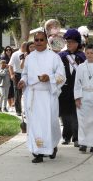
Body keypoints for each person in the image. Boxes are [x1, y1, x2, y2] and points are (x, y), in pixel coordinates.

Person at [17, 31, 66, 163]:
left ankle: (52, 146)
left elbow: (62, 76)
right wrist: (23, 81)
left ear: (46, 41)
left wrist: (49, 78)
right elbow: (25, 74)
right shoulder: (29, 57)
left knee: (50, 123)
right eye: (36, 40)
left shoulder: (54, 57)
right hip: (33, 96)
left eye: (41, 40)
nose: (38, 42)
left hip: (48, 95)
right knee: (35, 124)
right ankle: (37, 152)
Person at [58, 29, 86, 147]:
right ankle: (66, 136)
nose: (68, 44)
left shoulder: (82, 57)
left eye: (71, 42)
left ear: (77, 43)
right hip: (64, 90)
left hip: (77, 90)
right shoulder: (60, 56)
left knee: (76, 114)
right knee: (65, 114)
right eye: (67, 41)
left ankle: (76, 138)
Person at [9, 42, 27, 116]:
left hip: (26, 75)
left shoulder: (29, 54)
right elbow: (10, 65)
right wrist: (12, 74)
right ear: (22, 46)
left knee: (26, 93)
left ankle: (26, 110)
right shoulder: (15, 54)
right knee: (17, 93)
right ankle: (18, 110)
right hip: (17, 74)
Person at [0, 46, 15, 111]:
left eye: (9, 50)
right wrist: (8, 66)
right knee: (8, 91)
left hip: (13, 75)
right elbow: (2, 66)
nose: (8, 51)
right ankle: (10, 104)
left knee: (13, 90)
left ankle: (12, 104)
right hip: (6, 76)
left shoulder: (13, 57)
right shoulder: (3, 57)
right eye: (7, 50)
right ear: (5, 51)